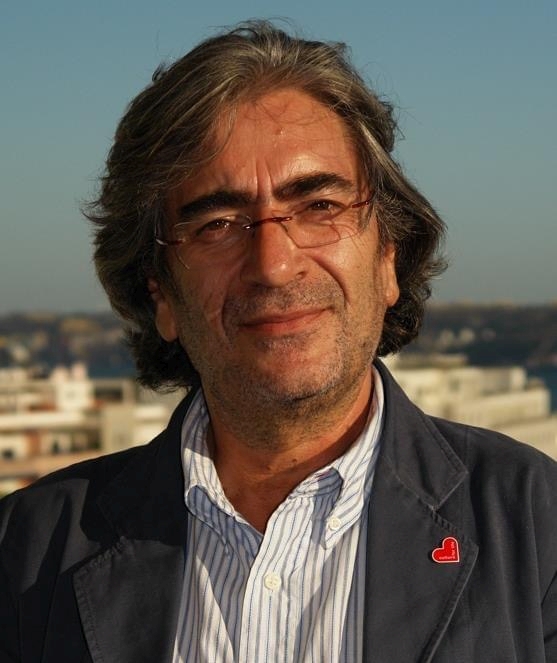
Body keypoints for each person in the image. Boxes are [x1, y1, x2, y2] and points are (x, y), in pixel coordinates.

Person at [1, 20, 556, 663]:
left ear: (387, 257)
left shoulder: (535, 526)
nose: (273, 263)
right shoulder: (27, 553)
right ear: (162, 296)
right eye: (218, 223)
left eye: (319, 207)